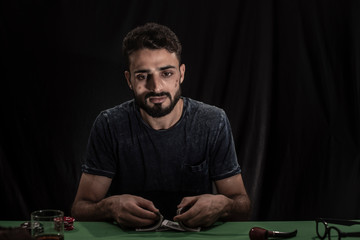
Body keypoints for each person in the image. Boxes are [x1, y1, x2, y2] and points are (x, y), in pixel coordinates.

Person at [71, 22, 251, 229]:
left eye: (166, 73)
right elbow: (80, 208)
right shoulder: (109, 124)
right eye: (142, 76)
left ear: (181, 74)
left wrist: (223, 206)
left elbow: (242, 207)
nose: (155, 87)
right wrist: (110, 207)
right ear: (129, 80)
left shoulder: (213, 121)